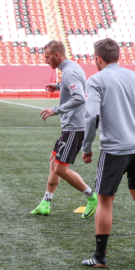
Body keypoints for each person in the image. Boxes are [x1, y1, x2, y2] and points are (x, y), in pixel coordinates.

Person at [81, 38, 135, 268]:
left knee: (104, 200)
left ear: (98, 59)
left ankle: (100, 257)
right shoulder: (133, 76)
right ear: (118, 57)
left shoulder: (96, 79)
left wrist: (86, 147)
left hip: (114, 149)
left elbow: (91, 116)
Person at [31, 40, 98, 218]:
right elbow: (79, 89)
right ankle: (45, 203)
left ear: (56, 55)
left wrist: (55, 109)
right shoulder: (73, 67)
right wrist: (59, 87)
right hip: (72, 126)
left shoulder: (68, 72)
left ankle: (92, 197)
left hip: (75, 127)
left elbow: (79, 98)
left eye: (47, 57)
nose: (46, 61)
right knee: (53, 161)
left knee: (60, 168)